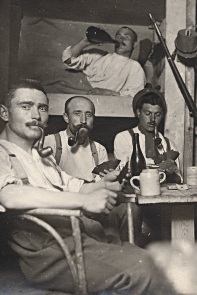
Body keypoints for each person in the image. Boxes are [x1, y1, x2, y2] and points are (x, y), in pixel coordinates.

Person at [0, 78, 178, 295]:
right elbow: (9, 195)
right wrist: (85, 201)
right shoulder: (2, 152)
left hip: (75, 238)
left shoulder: (42, 157)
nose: (36, 115)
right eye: (26, 106)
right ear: (4, 113)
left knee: (156, 262)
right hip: (48, 251)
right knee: (146, 273)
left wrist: (102, 184)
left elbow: (75, 185)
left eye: (42, 108)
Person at [44, 95, 127, 243]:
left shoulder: (98, 149)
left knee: (125, 211)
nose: (83, 120)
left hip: (94, 204)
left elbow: (103, 187)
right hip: (66, 206)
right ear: (66, 117)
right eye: (77, 113)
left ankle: (120, 249)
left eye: (88, 115)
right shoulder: (51, 142)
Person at [114, 87, 182, 243]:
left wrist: (172, 172)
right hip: (136, 200)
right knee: (133, 212)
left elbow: (178, 179)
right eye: (147, 113)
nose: (152, 119)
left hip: (162, 202)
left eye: (157, 115)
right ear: (138, 112)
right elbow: (126, 174)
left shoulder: (167, 143)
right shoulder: (124, 137)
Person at [62, 26, 145, 98]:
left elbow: (136, 95)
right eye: (118, 36)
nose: (121, 39)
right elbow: (68, 60)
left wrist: (107, 93)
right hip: (79, 92)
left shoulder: (134, 66)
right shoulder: (99, 55)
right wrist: (85, 42)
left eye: (126, 37)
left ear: (134, 44)